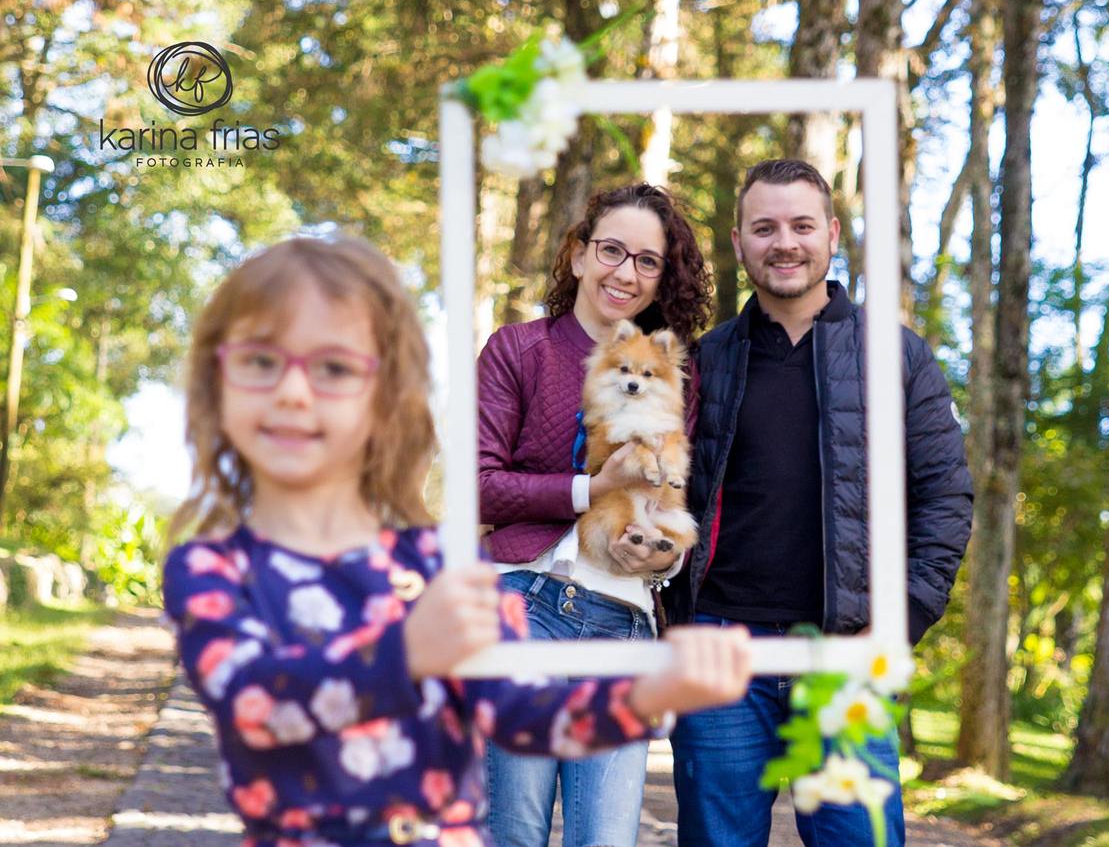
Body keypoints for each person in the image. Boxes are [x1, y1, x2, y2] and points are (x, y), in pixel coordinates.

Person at [160, 236, 753, 847]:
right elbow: (261, 708)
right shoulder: (215, 570)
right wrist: (409, 654)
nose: (294, 391)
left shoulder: (437, 565)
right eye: (262, 361)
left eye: (333, 368)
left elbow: (525, 717)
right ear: (216, 385)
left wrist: (649, 694)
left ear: (386, 397)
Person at [661, 159, 974, 847]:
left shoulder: (898, 358)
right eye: (764, 227)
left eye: (802, 225)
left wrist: (903, 619)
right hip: (720, 652)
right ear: (739, 242)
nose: (785, 242)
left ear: (832, 234)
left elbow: (946, 500)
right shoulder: (702, 363)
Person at [477, 183, 713, 847]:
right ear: (578, 256)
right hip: (526, 604)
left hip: (624, 624)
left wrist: (666, 557)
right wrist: (589, 488)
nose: (626, 273)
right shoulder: (517, 350)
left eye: (647, 261)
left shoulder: (672, 379)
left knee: (605, 840)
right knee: (516, 831)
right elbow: (479, 485)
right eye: (612, 250)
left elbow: (674, 504)